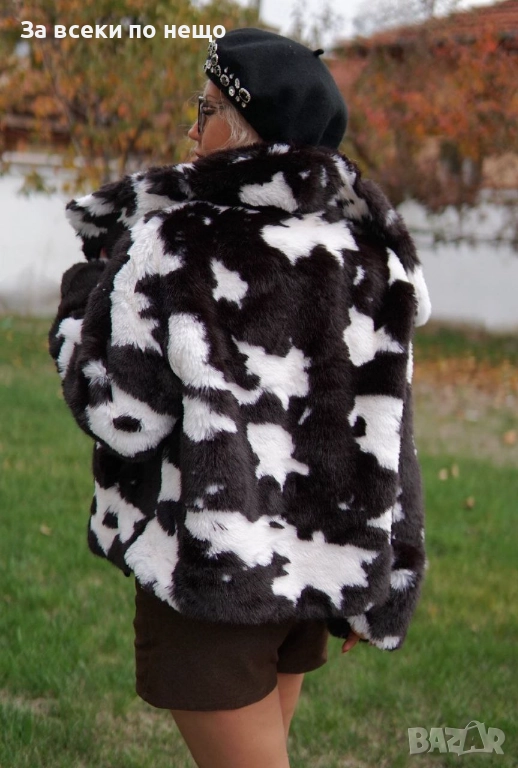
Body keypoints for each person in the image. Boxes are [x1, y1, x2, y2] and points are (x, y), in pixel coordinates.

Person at [49, 28, 431, 768]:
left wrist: (82, 296)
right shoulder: (368, 255)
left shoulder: (176, 243)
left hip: (212, 581)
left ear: (248, 133)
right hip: (308, 580)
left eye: (207, 110)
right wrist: (387, 582)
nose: (191, 132)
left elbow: (119, 415)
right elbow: (390, 434)